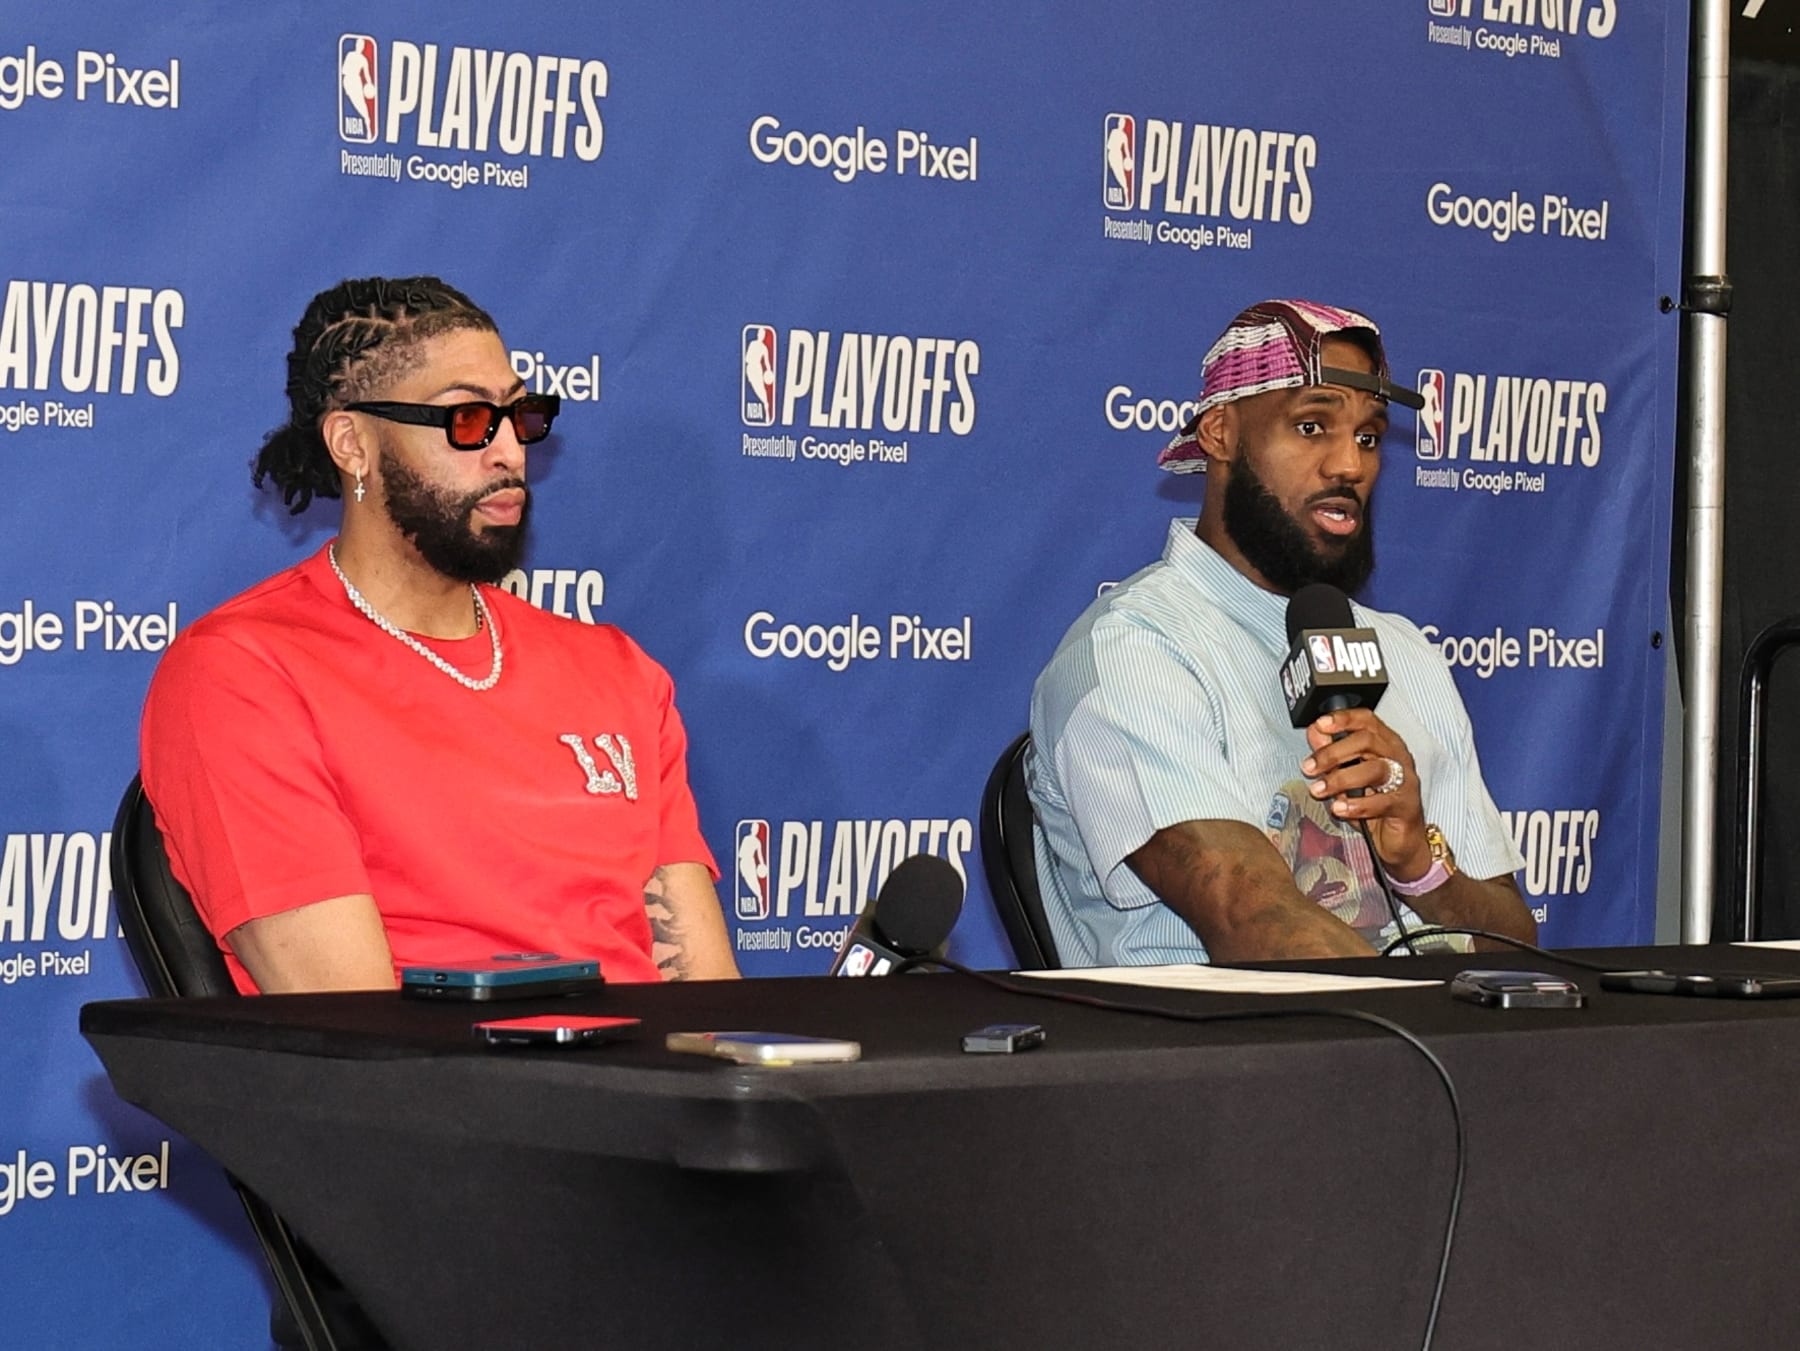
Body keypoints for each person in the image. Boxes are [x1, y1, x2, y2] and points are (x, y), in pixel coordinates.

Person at [140, 275, 739, 993]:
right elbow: (353, 1026)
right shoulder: (243, 672)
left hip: (655, 1093)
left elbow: (706, 1003)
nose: (509, 452)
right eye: (467, 421)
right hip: (443, 1096)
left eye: (521, 417)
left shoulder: (619, 673)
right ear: (352, 442)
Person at [1028, 298, 1534, 965]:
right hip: (1223, 1061)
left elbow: (1515, 945)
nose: (1349, 466)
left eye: (1369, 436)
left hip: (1416, 1049)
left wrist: (1419, 865)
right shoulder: (1134, 651)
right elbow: (1254, 923)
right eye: (1311, 425)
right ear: (1219, 434)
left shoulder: (1406, 654)